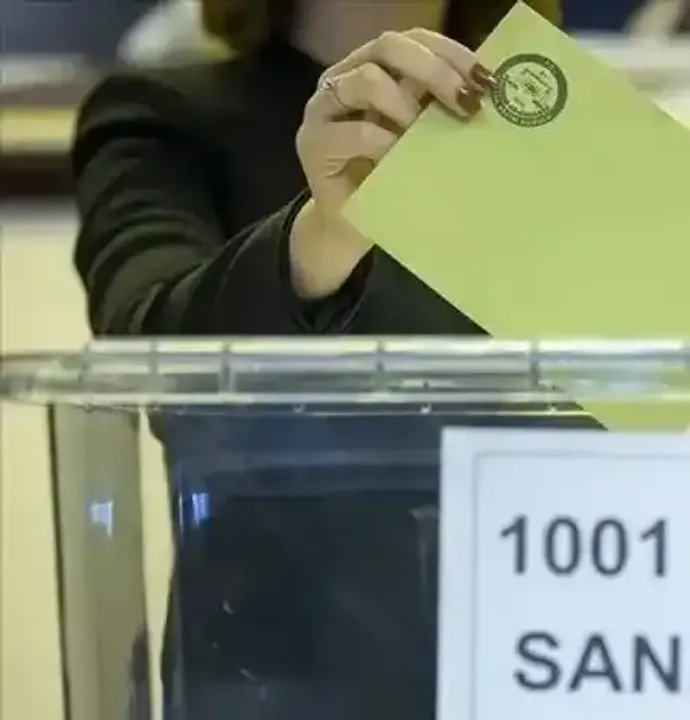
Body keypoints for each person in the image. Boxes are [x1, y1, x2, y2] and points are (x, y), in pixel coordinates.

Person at [71, 2, 565, 719]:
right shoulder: (164, 114)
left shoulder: (555, 125)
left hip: (547, 658)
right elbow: (151, 354)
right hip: (285, 670)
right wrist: (324, 231)